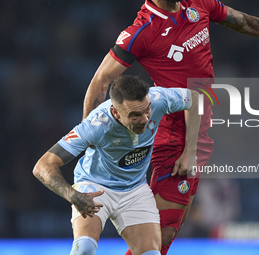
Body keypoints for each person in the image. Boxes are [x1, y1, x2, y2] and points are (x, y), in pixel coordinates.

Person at [82, 0, 259, 254]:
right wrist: (89, 140)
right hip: (174, 133)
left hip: (198, 129)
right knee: (162, 232)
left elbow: (241, 20)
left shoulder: (197, 3)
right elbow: (101, 80)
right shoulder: (142, 31)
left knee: (168, 232)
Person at [33, 75, 200, 255]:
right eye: (134, 115)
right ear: (115, 112)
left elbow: (195, 98)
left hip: (134, 189)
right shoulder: (96, 125)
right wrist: (73, 195)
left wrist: (190, 152)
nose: (144, 119)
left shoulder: (158, 99)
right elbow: (42, 166)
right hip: (95, 186)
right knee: (85, 249)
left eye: (147, 111)